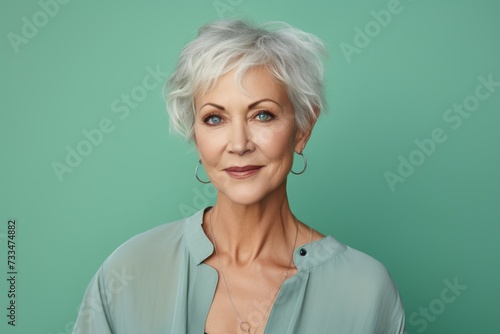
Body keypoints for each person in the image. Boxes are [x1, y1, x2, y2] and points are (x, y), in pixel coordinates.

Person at [73, 19, 405, 334]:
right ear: (196, 135)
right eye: (214, 119)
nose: (239, 144)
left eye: (263, 115)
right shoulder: (129, 270)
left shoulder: (365, 289)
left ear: (302, 129)